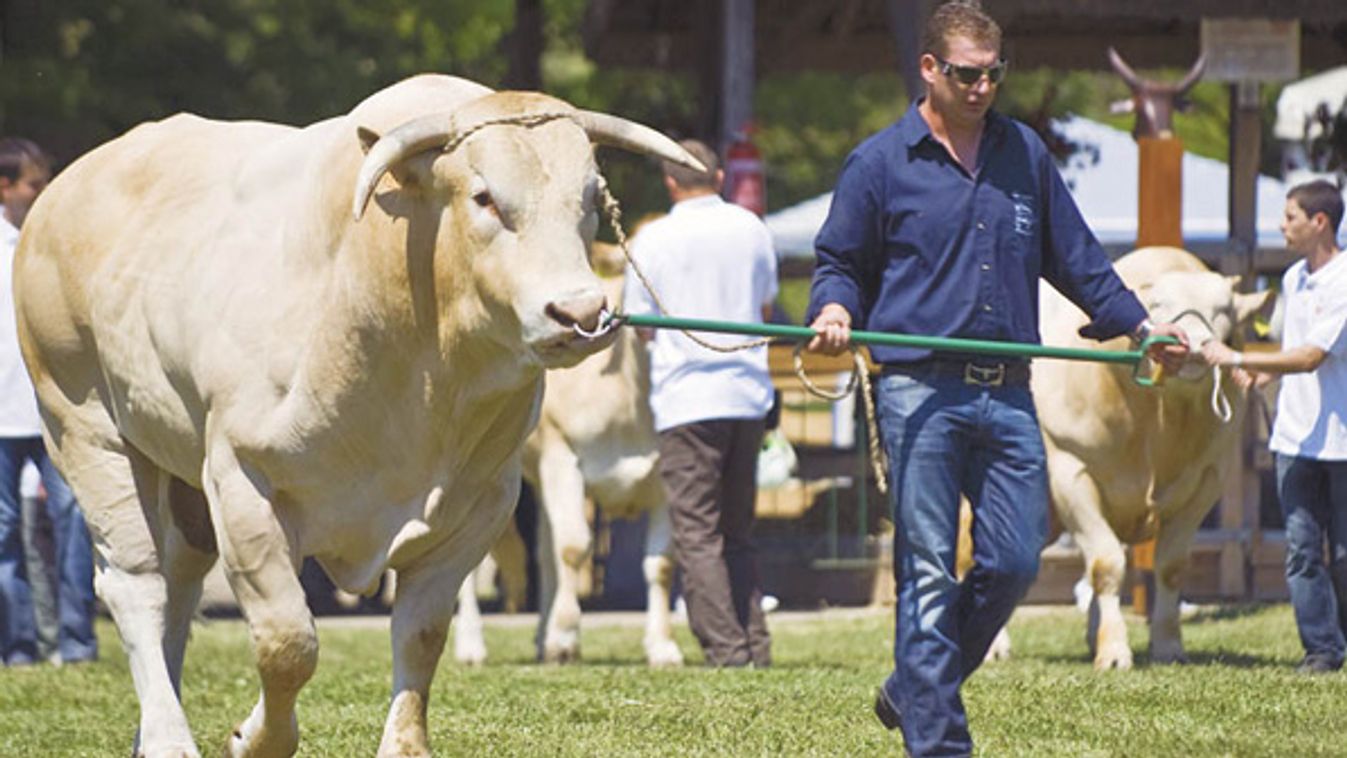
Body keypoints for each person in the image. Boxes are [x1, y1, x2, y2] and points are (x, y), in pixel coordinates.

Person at [804, 2, 1188, 754]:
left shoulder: (1023, 155)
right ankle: (939, 741)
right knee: (924, 566)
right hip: (917, 389)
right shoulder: (878, 163)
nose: (981, 87)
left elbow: (1076, 258)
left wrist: (1142, 327)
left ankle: (913, 685)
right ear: (929, 70)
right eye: (965, 74)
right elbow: (838, 263)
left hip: (1011, 389)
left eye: (992, 74)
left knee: (1013, 562)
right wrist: (834, 309)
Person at [622, 138, 778, 667]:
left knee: (696, 533)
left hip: (687, 399)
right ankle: (755, 646)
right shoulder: (751, 228)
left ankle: (727, 653)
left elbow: (640, 328)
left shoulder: (652, 240)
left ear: (669, 183)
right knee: (737, 531)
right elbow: (765, 305)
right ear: (717, 178)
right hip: (748, 394)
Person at [1203, 180, 1347, 675]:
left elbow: (1310, 358)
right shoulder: (1292, 280)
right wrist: (1262, 370)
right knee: (1303, 552)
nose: (1282, 226)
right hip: (1295, 438)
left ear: (1319, 222)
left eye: (1290, 217)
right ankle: (1322, 652)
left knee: (1344, 558)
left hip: (1342, 443)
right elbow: (1294, 343)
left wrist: (1237, 354)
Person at [0, 136, 98, 667]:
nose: (44, 191)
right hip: (0, 418)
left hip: (53, 411)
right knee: (3, 537)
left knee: (74, 526)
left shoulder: (56, 243)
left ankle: (76, 643)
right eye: (35, 183)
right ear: (6, 188)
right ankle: (16, 648)